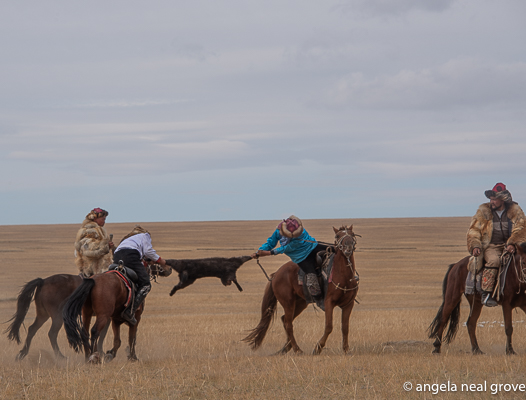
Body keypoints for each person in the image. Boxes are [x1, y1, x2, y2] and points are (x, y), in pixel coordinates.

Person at [467, 183, 526, 307]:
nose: (492, 202)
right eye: (491, 199)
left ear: (502, 200)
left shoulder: (515, 211)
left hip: (510, 245)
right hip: (491, 246)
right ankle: (486, 293)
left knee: (522, 260)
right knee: (494, 261)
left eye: (494, 199)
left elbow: (521, 228)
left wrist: (512, 243)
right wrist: (475, 245)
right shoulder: (483, 211)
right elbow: (474, 230)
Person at [252, 216, 329, 310]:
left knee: (335, 251)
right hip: (301, 257)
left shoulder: (300, 232)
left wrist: (269, 253)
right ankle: (319, 299)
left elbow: (288, 248)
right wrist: (260, 251)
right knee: (311, 274)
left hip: (312, 246)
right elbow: (270, 243)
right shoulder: (278, 232)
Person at [113, 226, 168, 325]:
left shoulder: (129, 240)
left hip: (117, 256)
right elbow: (148, 251)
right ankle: (129, 312)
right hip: (131, 255)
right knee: (146, 284)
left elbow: (142, 257)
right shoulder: (145, 235)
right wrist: (161, 261)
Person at [74, 208, 115, 277]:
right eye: (103, 219)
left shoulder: (100, 230)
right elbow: (89, 249)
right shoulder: (89, 231)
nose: (104, 222)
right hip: (91, 270)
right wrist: (106, 246)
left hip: (98, 270)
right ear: (95, 219)